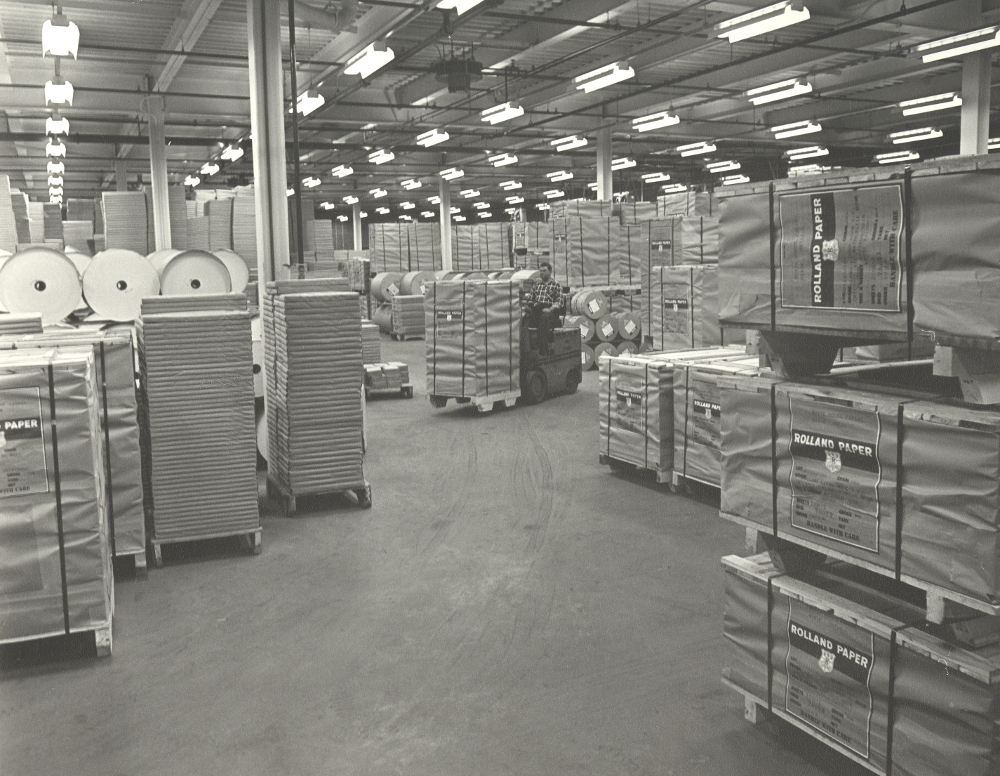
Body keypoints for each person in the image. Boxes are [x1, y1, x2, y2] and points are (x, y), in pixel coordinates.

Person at [522, 262, 564, 354]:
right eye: (540, 271)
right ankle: (526, 351)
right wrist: (529, 306)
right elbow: (530, 299)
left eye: (544, 271)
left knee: (544, 318)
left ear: (550, 271)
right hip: (538, 309)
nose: (542, 273)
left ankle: (543, 351)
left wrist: (549, 309)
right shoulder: (537, 285)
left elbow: (559, 302)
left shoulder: (556, 285)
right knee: (525, 318)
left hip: (551, 311)